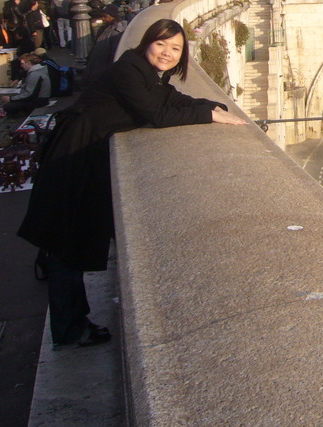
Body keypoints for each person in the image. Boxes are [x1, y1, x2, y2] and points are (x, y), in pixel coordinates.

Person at [17, 19, 246, 349]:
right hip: (74, 155)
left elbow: (168, 97)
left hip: (85, 151)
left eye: (176, 48)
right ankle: (69, 328)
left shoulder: (143, 71)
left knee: (67, 237)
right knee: (67, 242)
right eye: (161, 44)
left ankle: (71, 315)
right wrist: (208, 115)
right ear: (147, 44)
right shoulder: (129, 70)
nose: (167, 53)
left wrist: (207, 105)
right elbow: (156, 114)